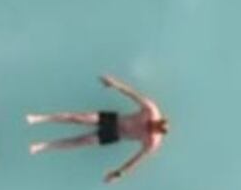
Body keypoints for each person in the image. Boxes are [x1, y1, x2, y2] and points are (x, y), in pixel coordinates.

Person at [26, 74, 167, 183]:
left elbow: (135, 161)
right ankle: (39, 118)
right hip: (113, 119)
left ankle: (42, 146)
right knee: (77, 118)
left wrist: (118, 173)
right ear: (157, 120)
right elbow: (132, 94)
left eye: (153, 130)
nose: (150, 128)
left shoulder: (151, 142)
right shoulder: (150, 109)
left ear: (157, 132)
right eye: (152, 125)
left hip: (114, 135)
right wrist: (115, 84)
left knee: (81, 141)